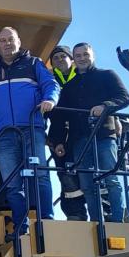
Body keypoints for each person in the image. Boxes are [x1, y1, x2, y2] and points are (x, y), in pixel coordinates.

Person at [0, 26, 59, 240]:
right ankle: (21, 227)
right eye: (2, 40)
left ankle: (46, 220)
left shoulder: (34, 64)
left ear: (19, 41)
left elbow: (51, 83)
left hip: (32, 128)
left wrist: (50, 99)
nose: (7, 44)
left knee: (39, 174)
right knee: (12, 182)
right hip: (4, 135)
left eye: (10, 39)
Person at [48, 42, 129, 223]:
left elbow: (124, 97)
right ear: (74, 59)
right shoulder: (69, 87)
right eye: (78, 56)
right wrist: (58, 141)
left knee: (112, 179)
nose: (82, 58)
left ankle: (118, 221)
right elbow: (60, 117)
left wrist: (105, 106)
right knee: (87, 184)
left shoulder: (107, 75)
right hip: (79, 140)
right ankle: (95, 222)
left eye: (85, 54)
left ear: (92, 55)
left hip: (104, 136)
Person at [47, 45, 88, 221]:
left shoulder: (83, 76)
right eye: (55, 58)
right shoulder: (49, 82)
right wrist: (55, 141)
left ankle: (104, 211)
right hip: (58, 133)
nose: (59, 60)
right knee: (66, 175)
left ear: (71, 59)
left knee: (90, 173)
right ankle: (75, 214)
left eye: (63, 56)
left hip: (82, 132)